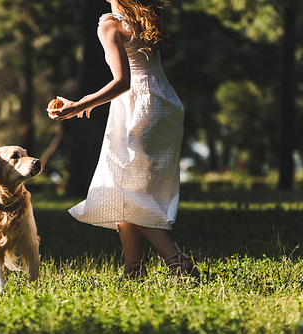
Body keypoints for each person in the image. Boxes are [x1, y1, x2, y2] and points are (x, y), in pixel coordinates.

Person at [47, 0, 199, 280]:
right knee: (123, 188)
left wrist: (78, 105)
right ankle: (133, 270)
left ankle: (178, 261)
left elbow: (122, 82)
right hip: (164, 102)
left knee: (128, 193)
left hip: (138, 108)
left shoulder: (109, 23)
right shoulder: (143, 17)